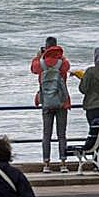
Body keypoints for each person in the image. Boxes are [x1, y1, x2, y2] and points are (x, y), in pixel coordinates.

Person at [31, 36, 71, 173]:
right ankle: (63, 163)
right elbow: (67, 67)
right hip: (61, 102)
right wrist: (62, 57)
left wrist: (38, 57)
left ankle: (46, 164)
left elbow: (33, 69)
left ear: (46, 47)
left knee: (46, 135)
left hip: (46, 102)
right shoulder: (62, 63)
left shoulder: (40, 63)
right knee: (62, 134)